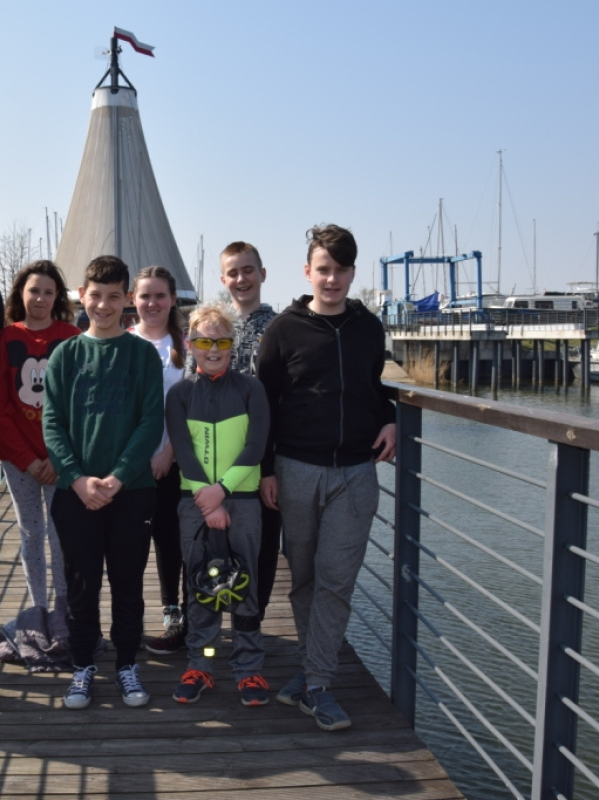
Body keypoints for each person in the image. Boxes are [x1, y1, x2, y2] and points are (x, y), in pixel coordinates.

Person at [256, 224, 396, 732]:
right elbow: (265, 405)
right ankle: (310, 669)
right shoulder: (283, 330)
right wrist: (266, 470)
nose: (331, 279)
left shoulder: (368, 328)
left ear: (353, 273)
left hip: (355, 473)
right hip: (296, 469)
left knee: (336, 579)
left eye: (340, 270)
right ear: (307, 272)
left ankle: (317, 683)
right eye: (323, 269)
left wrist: (391, 417)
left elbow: (373, 386)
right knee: (305, 579)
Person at [42, 255, 163, 710]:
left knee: (128, 584)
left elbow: (150, 423)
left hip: (131, 492)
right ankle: (82, 665)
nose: (104, 305)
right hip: (75, 495)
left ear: (127, 298)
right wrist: (76, 479)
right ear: (81, 295)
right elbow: (52, 424)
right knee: (81, 585)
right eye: (96, 296)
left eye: (115, 297)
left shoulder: (142, 354)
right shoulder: (66, 354)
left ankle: (127, 663)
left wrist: (118, 476)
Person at [166, 303, 271, 707]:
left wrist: (222, 492)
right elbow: (183, 452)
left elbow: (255, 446)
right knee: (202, 586)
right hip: (195, 500)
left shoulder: (250, 389)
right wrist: (209, 504)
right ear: (189, 344)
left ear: (232, 344)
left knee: (245, 587)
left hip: (241, 499)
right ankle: (203, 664)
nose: (213, 350)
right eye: (204, 342)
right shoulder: (180, 394)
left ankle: (248, 668)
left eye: (222, 342)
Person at [0, 261, 80, 612]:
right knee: (30, 532)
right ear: (20, 294)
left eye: (48, 292)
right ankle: (39, 606)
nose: (40, 298)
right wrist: (27, 459)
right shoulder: (7, 338)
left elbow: (79, 404)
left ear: (57, 297)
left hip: (61, 459)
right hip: (19, 459)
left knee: (61, 534)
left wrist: (58, 457)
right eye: (33, 291)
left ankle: (63, 608)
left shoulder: (71, 337)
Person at [217, 242, 282, 621]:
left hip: (263, 457)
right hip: (219, 456)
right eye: (233, 272)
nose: (241, 279)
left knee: (262, 542)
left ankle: (252, 619)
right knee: (217, 541)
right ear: (223, 279)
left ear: (262, 274)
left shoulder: (280, 327)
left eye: (248, 270)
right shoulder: (216, 326)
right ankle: (211, 621)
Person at [128, 266, 188, 656]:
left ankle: (172, 611)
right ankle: (130, 615)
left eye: (160, 296)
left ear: (172, 300)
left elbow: (195, 408)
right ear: (133, 299)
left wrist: (170, 452)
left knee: (170, 541)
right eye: (145, 296)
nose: (152, 303)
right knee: (130, 544)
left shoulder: (186, 347)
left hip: (174, 461)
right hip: (132, 466)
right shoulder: (123, 343)